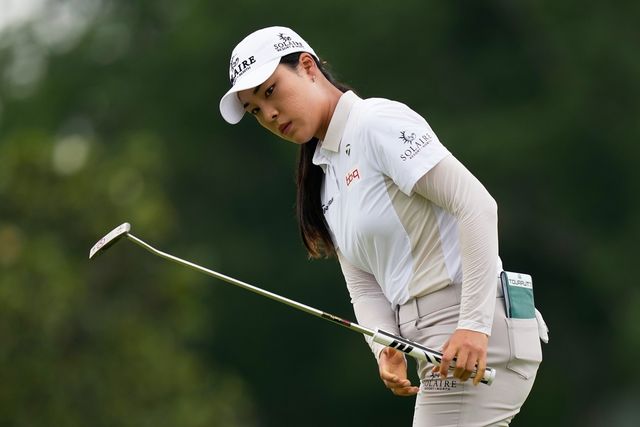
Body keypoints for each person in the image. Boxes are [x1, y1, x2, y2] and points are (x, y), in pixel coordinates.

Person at [219, 26, 548, 426]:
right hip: (437, 340)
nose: (269, 114)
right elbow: (362, 283)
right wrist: (385, 345)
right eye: (254, 110)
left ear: (307, 67)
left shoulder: (376, 122)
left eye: (270, 91)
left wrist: (473, 327)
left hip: (473, 328)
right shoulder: (324, 173)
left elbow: (477, 206)